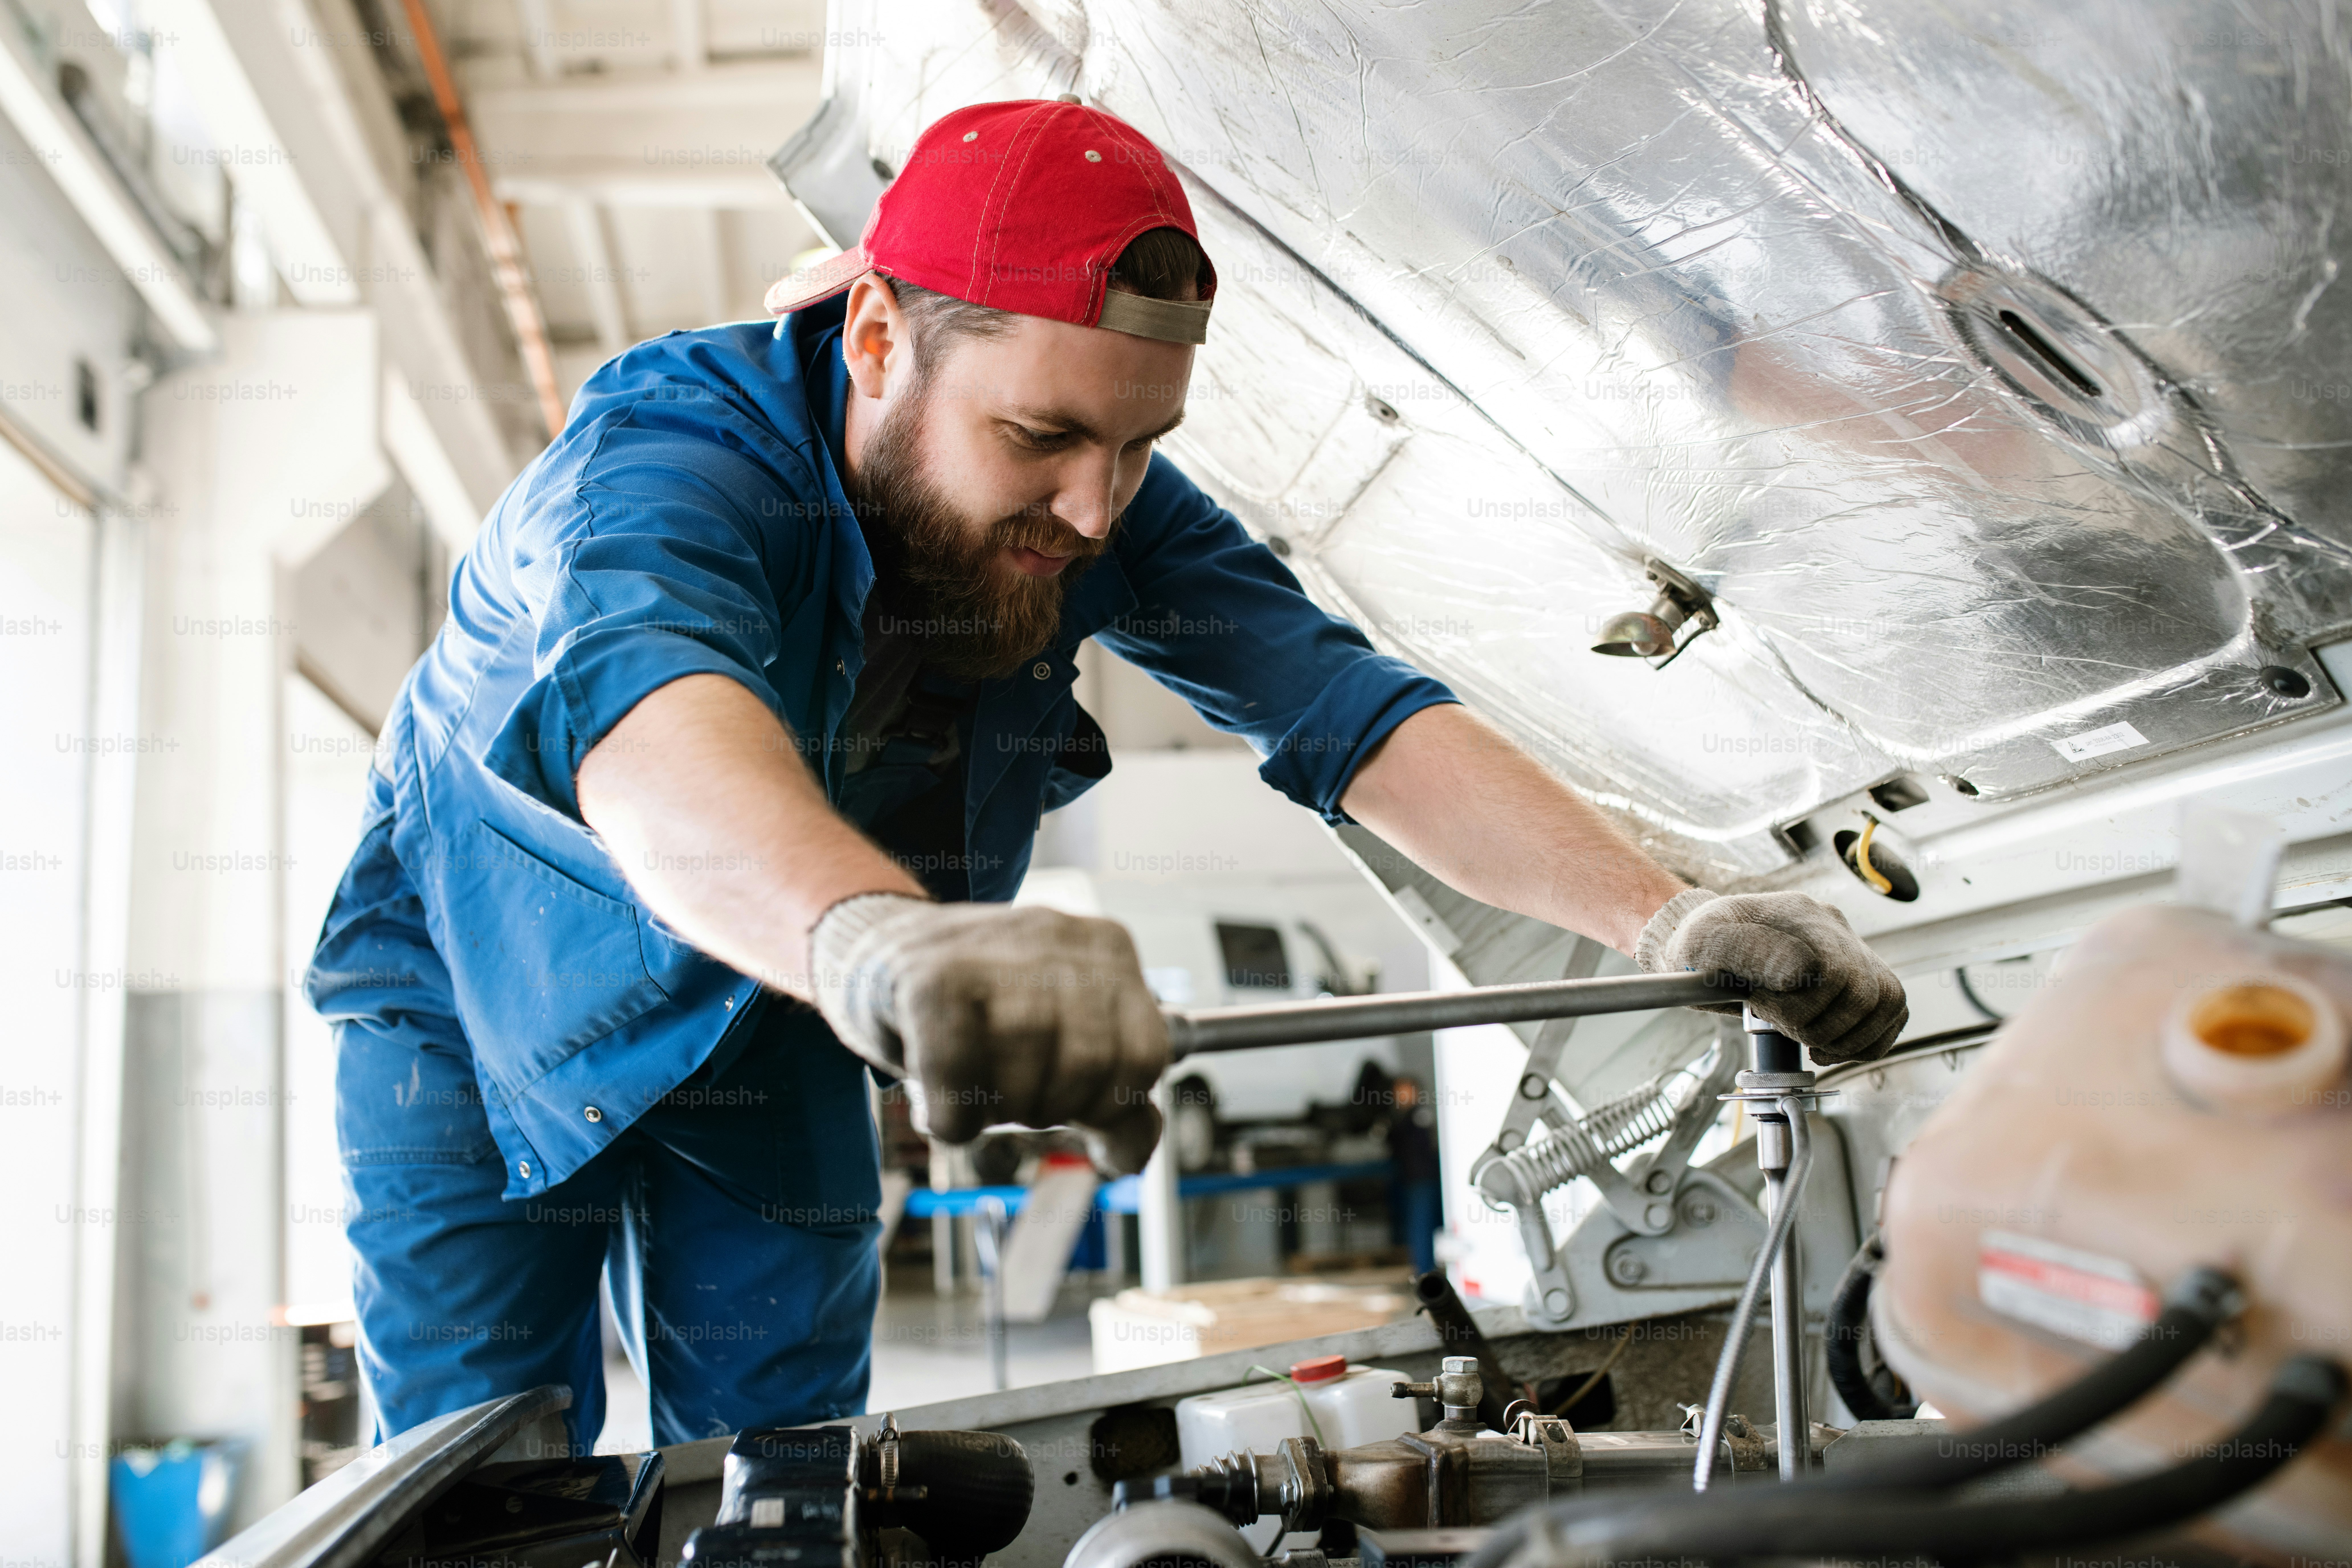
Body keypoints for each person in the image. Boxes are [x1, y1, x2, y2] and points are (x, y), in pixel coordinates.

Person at [307, 97, 1907, 1451]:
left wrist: (1668, 917)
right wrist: (882, 938)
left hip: (783, 1002)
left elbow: (1343, 712)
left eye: (1138, 448)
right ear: (878, 338)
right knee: (483, 1483)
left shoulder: (1102, 491)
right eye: (1044, 440)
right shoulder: (667, 466)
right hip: (478, 993)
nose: (1095, 509)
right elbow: (652, 734)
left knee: (785, 1477)